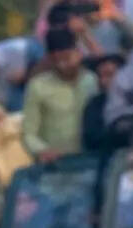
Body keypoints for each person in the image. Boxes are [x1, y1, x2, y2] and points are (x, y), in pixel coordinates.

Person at [22, 29, 98, 160]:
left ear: (79, 53)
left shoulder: (93, 81)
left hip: (91, 160)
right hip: (57, 165)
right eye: (55, 60)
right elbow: (28, 134)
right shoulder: (38, 86)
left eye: (66, 58)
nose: (62, 65)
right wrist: (43, 150)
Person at [81, 53, 125, 152]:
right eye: (100, 76)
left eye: (109, 75)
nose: (103, 81)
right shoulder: (94, 105)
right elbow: (92, 139)